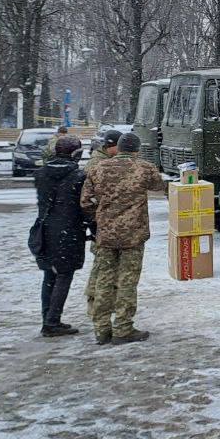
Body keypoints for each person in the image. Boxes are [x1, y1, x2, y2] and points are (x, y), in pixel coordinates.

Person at [80, 132, 164, 346]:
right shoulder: (143, 168)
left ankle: (101, 329)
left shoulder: (98, 168)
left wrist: (102, 214)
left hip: (106, 234)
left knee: (103, 280)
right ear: (136, 149)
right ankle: (123, 327)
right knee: (127, 281)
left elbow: (86, 201)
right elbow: (159, 186)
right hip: (133, 234)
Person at [30, 135, 90, 337]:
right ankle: (52, 321)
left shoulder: (41, 174)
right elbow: (84, 208)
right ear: (76, 154)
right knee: (64, 276)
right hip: (69, 233)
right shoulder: (79, 176)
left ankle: (47, 317)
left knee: (49, 275)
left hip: (44, 231)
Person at [82, 129, 122, 316]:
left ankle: (104, 301)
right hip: (102, 225)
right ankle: (94, 303)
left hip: (107, 224)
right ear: (111, 146)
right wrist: (99, 218)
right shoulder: (98, 164)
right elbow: (90, 198)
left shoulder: (104, 160)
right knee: (102, 266)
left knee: (107, 265)